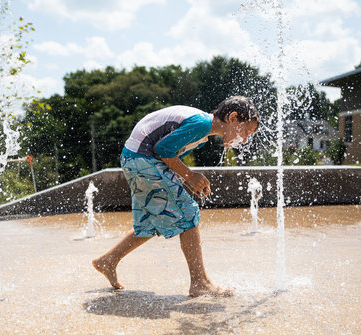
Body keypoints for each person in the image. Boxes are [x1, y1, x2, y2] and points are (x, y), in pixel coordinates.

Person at [92, 96, 260, 297]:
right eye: (246, 132)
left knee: (149, 223)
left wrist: (184, 180)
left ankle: (108, 260)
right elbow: (162, 149)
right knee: (188, 212)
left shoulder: (202, 130)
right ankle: (200, 282)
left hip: (135, 159)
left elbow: (167, 153)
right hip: (143, 160)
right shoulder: (201, 124)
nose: (245, 139)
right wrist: (189, 176)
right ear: (233, 118)